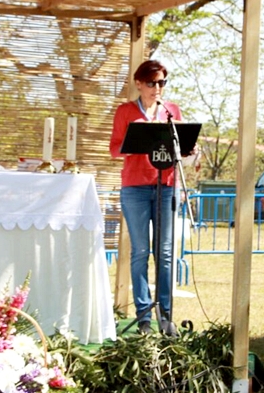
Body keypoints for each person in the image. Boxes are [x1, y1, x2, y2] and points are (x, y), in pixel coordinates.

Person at [108, 59, 184, 335]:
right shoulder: (126, 111)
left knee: (165, 253)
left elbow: (181, 146)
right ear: (138, 84)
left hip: (166, 186)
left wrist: (189, 149)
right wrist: (137, 143)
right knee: (140, 251)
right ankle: (143, 317)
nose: (157, 88)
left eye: (161, 82)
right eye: (151, 83)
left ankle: (165, 315)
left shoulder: (170, 111)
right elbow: (115, 148)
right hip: (136, 188)